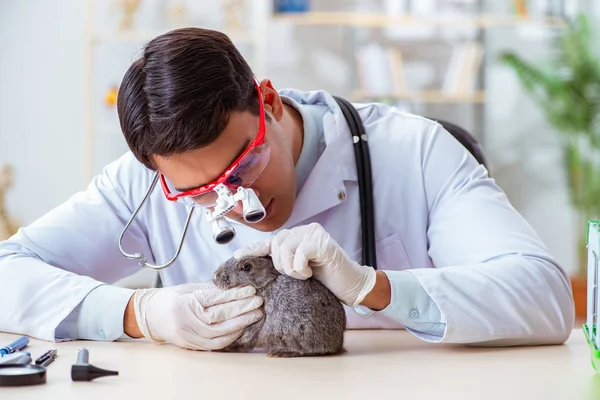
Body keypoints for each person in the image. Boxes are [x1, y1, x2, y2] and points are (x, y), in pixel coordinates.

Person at [0, 27, 574, 350]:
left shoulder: (415, 152)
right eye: (199, 194)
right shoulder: (143, 185)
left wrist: (376, 288)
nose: (238, 207)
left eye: (242, 170)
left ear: (268, 102)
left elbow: (545, 297)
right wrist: (136, 311)